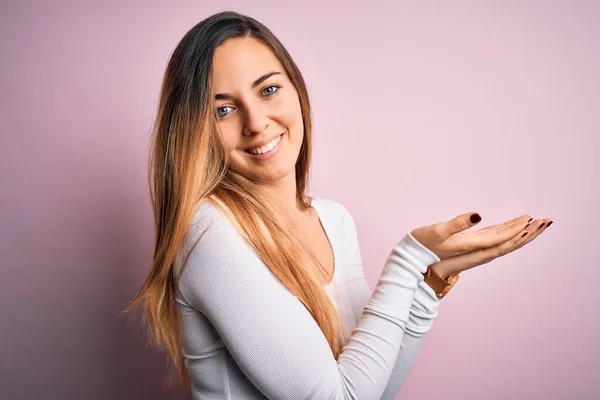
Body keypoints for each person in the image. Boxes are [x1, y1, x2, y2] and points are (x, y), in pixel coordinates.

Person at [126, 11, 552, 399]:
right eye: (223, 110)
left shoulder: (333, 220)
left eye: (269, 90)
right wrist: (407, 261)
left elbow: (374, 389)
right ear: (194, 129)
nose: (255, 123)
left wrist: (430, 282)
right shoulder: (208, 234)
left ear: (297, 90)